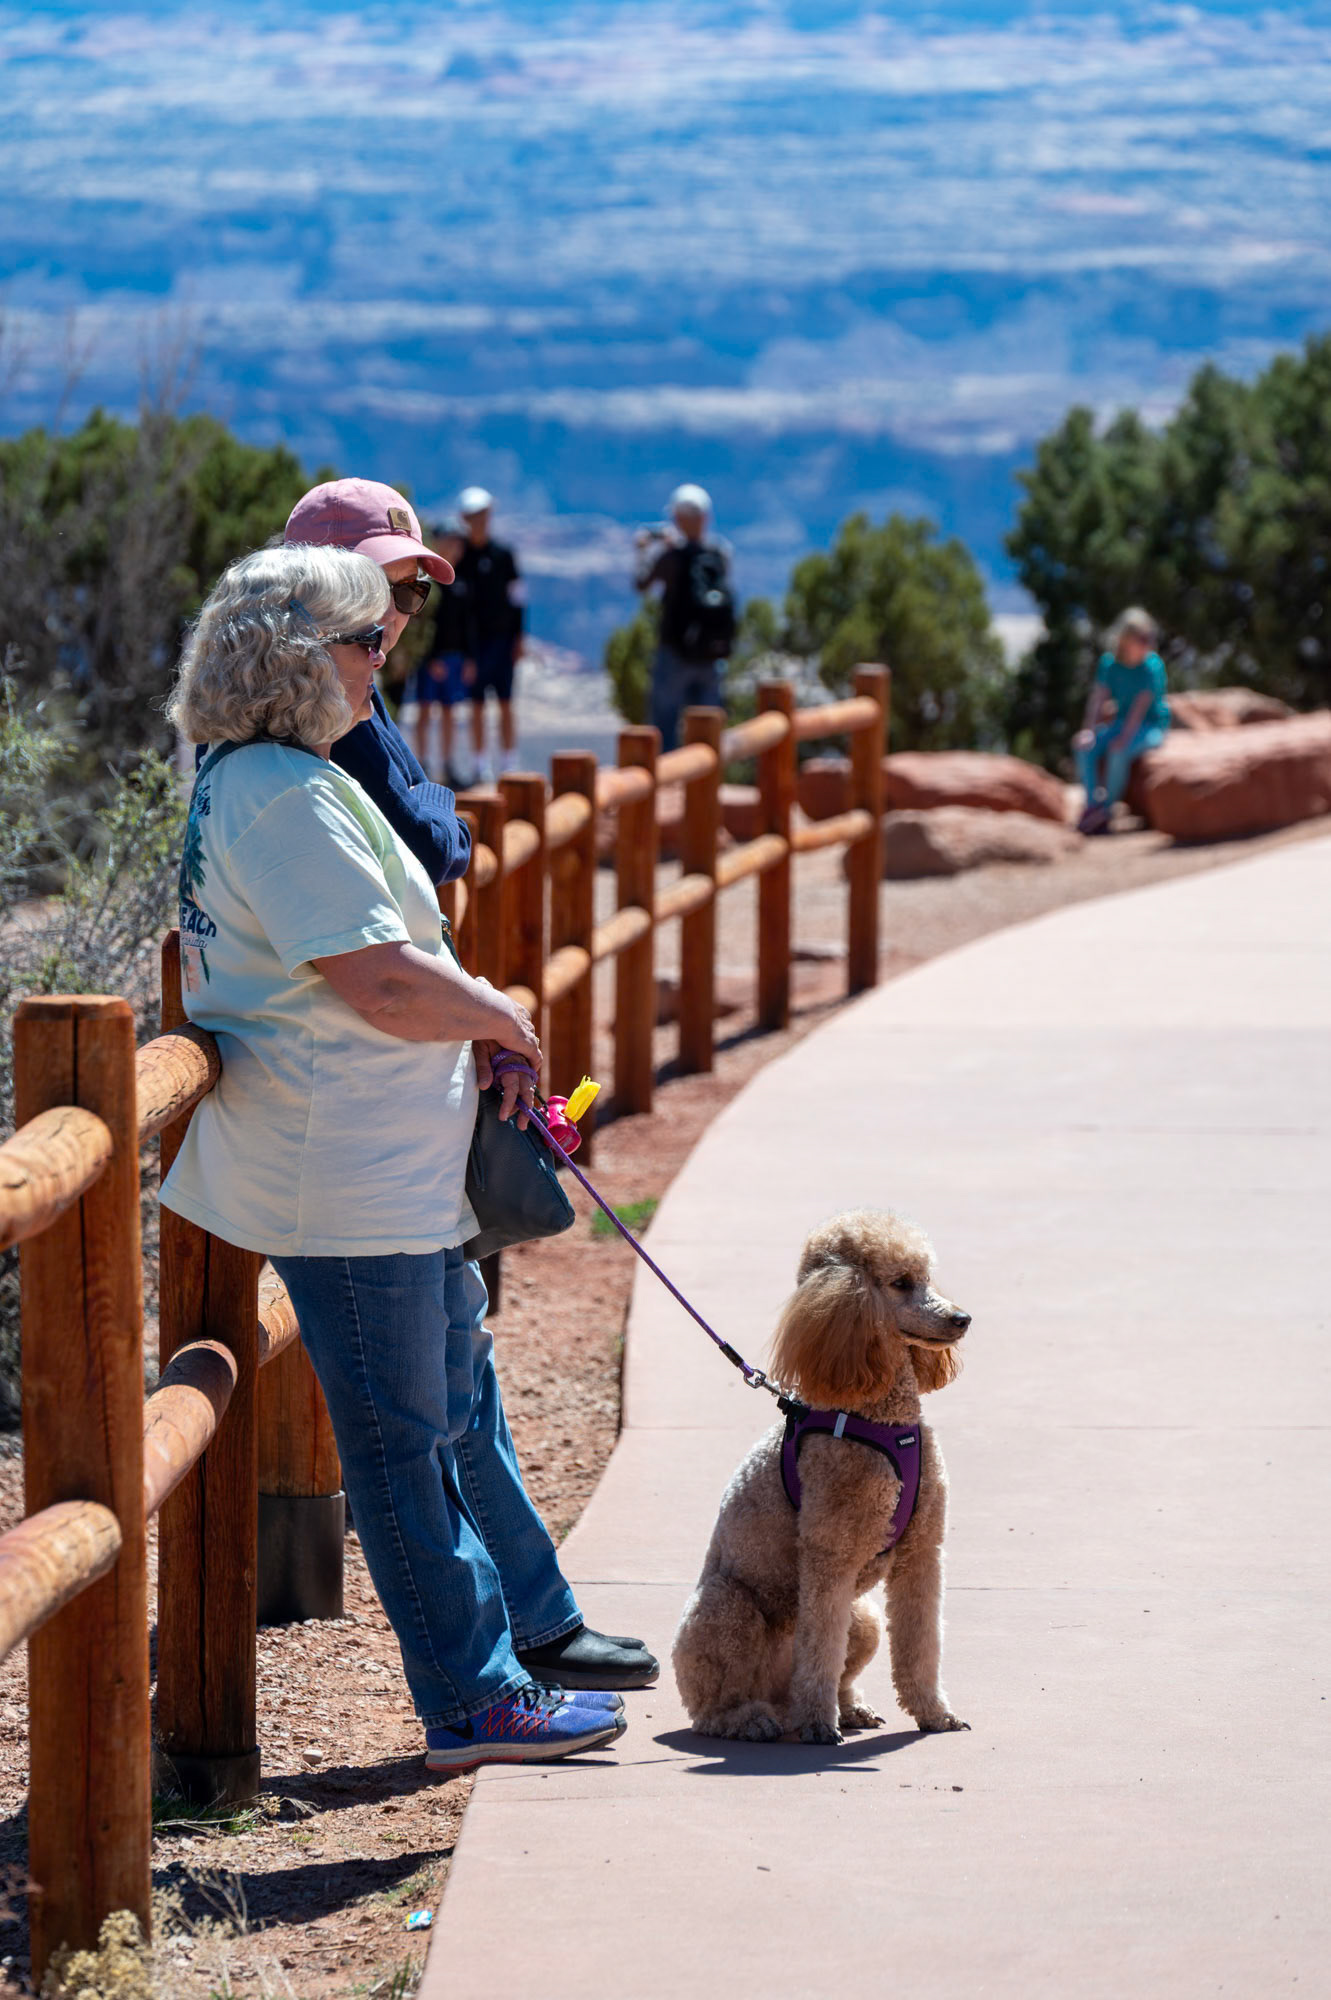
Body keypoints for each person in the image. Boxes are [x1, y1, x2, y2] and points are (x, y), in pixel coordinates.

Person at [163, 543, 657, 1773]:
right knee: (399, 1447)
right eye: (365, 643)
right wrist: (497, 1018)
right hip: (350, 1171)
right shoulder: (282, 792)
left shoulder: (278, 777)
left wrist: (477, 1018)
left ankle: (498, 1667)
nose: (383, 663)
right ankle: (473, 1698)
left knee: (427, 1425)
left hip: (379, 1165)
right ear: (294, 656)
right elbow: (375, 975)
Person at [283, 478, 471, 887]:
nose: (390, 614)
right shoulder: (315, 698)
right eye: (369, 586)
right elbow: (430, 849)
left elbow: (415, 797)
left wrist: (423, 797)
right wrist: (440, 796)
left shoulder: (356, 674)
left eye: (409, 591)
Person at [634, 482, 737, 752]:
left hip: (673, 650)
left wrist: (644, 551)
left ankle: (667, 787)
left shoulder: (671, 558)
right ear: (706, 518)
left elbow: (641, 585)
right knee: (708, 727)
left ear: (676, 518)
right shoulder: (719, 554)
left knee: (664, 724)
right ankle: (708, 785)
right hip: (711, 654)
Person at [1074, 607, 1171, 834]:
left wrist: (1124, 738)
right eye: (1142, 639)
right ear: (1126, 640)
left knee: (1119, 752)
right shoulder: (1109, 664)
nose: (1149, 644)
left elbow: (1140, 709)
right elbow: (1098, 700)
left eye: (1150, 638)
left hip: (1150, 727)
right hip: (1121, 723)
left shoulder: (1152, 667)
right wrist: (1089, 731)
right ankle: (1092, 806)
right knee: (1085, 747)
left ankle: (1106, 811)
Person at [455, 486, 525, 781]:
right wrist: (465, 653)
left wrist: (520, 638)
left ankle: (509, 762)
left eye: (485, 514)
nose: (482, 520)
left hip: (503, 642)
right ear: (466, 519)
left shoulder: (504, 555)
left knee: (507, 702)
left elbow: (518, 598)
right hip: (475, 646)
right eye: (476, 515)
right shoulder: (461, 559)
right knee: (477, 705)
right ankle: (479, 763)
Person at [402, 516, 471, 785]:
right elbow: (421, 625)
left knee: (450, 712)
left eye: (458, 543)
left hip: (455, 657)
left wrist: (469, 658)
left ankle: (448, 765)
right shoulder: (425, 581)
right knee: (425, 710)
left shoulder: (462, 581)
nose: (456, 548)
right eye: (451, 541)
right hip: (429, 661)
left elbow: (469, 624)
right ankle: (423, 766)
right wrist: (429, 658)